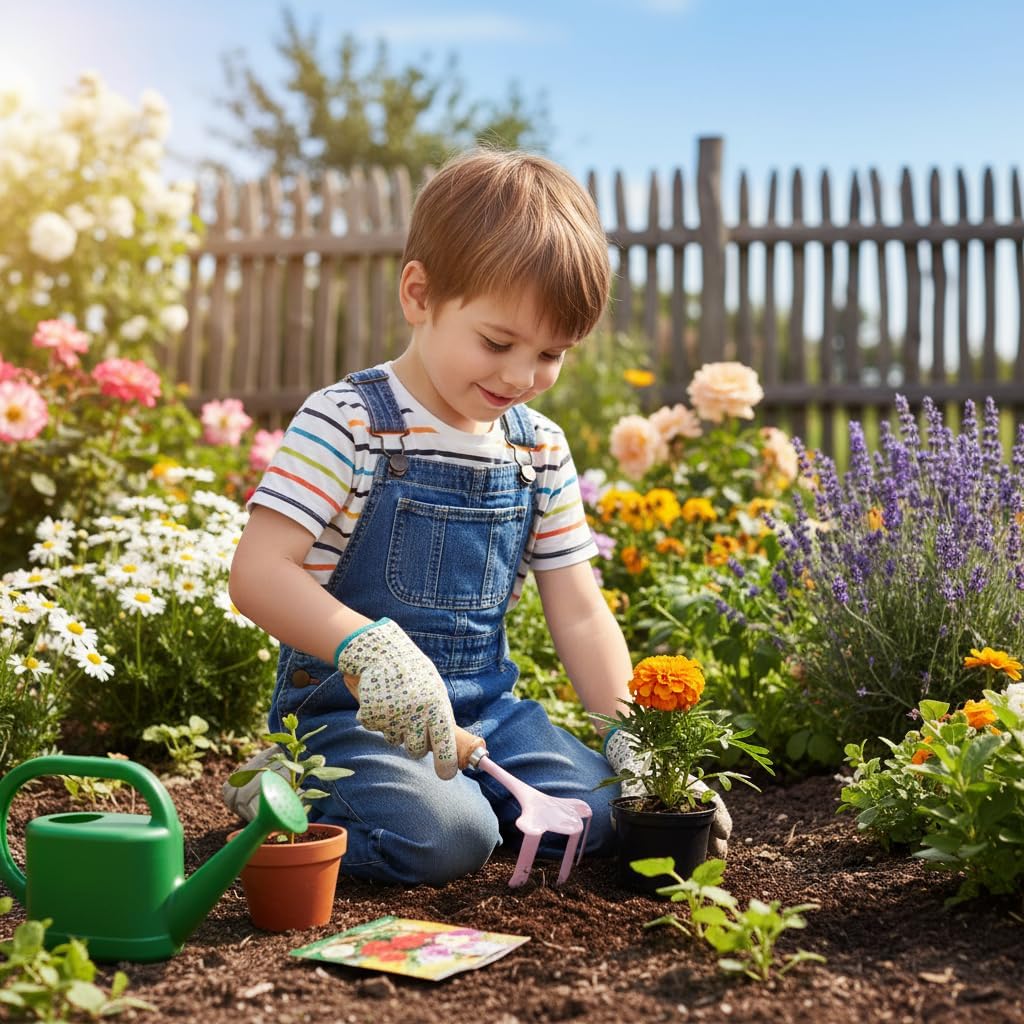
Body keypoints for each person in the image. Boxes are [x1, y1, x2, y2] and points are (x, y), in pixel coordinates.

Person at [224, 147, 730, 885]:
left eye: (551, 353)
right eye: (497, 342)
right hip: (353, 716)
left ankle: (471, 799)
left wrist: (639, 744)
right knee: (448, 839)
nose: (521, 377)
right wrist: (365, 647)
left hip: (488, 713)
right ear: (419, 295)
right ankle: (284, 793)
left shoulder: (538, 447)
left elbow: (581, 611)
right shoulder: (351, 422)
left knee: (600, 811)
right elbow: (257, 574)